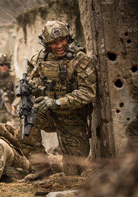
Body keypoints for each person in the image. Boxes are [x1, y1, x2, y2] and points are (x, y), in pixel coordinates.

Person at [24, 20, 96, 177]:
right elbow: (31, 82)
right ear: (46, 43)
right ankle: (41, 170)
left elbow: (88, 92)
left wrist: (57, 102)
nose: (59, 45)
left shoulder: (80, 60)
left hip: (73, 118)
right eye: (53, 42)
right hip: (49, 114)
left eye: (62, 40)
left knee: (75, 173)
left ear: (68, 38)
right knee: (26, 125)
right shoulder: (38, 60)